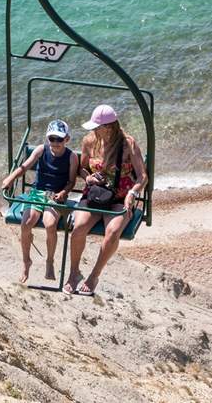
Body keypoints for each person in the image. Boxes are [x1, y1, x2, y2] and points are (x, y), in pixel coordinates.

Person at [65, 105, 147, 295]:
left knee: (113, 231)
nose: (94, 130)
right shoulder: (90, 141)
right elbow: (82, 168)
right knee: (78, 229)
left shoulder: (127, 144)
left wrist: (132, 193)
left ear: (109, 127)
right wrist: (87, 177)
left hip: (120, 195)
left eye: (97, 126)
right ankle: (73, 273)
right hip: (95, 194)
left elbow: (143, 176)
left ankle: (94, 275)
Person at [0, 120, 79, 284]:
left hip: (55, 194)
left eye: (59, 139)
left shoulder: (71, 157)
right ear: (47, 138)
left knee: (50, 224)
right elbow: (24, 167)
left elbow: (71, 181)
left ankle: (49, 260)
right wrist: (10, 178)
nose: (55, 143)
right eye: (52, 139)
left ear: (67, 139)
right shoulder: (42, 150)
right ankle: (26, 261)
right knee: (26, 223)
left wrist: (64, 193)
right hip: (37, 192)